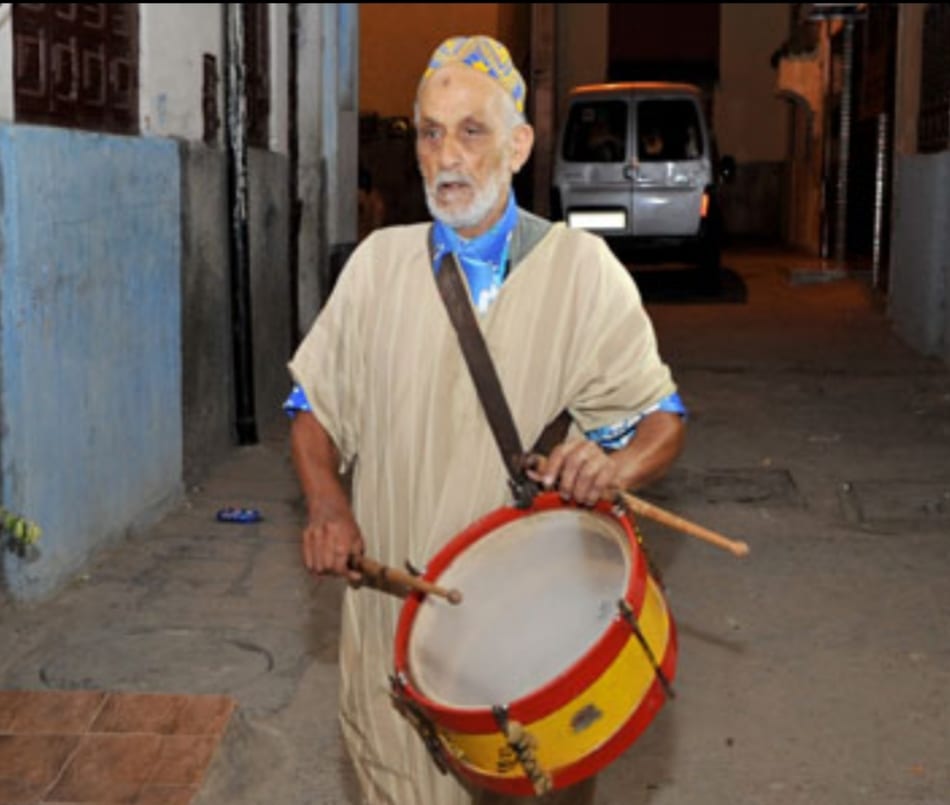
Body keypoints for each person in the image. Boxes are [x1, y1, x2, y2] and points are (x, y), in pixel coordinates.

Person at [285, 35, 687, 805]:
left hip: (532, 640)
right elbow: (312, 407)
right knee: (394, 780)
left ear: (519, 143)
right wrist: (328, 502)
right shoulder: (375, 267)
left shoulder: (583, 274)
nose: (448, 155)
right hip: (394, 617)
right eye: (431, 132)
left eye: (472, 130)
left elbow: (662, 420)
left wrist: (618, 467)